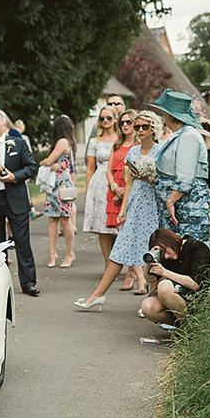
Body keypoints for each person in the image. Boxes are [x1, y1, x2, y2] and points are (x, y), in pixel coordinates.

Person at [74, 110, 163, 310]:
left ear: (153, 129)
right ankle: (97, 295)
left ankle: (151, 299)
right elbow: (128, 181)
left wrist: (147, 177)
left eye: (144, 127)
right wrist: (123, 209)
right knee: (120, 249)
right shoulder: (132, 151)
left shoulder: (160, 151)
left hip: (152, 205)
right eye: (137, 127)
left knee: (152, 252)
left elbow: (162, 183)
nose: (139, 130)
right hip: (134, 204)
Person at [0, 109, 40, 296]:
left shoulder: (18, 144)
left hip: (15, 199)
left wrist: (14, 177)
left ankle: (28, 283)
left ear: (4, 125)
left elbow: (31, 167)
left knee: (22, 243)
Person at [150, 89, 210, 242]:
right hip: (178, 205)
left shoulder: (189, 135)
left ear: (171, 116)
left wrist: (170, 201)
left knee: (188, 248)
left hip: (188, 205)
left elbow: (186, 177)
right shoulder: (180, 134)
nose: (163, 117)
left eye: (164, 113)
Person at [139, 227, 210, 327]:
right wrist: (150, 259)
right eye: (162, 253)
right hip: (177, 297)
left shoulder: (197, 248)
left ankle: (190, 328)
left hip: (198, 297)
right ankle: (183, 325)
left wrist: (165, 272)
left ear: (170, 241)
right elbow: (150, 279)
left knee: (164, 287)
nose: (166, 256)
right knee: (147, 307)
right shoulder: (164, 256)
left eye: (165, 251)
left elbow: (195, 284)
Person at [107, 109, 140, 289]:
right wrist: (114, 187)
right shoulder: (116, 144)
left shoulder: (141, 145)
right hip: (115, 190)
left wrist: (126, 190)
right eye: (122, 123)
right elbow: (108, 170)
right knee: (123, 233)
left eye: (129, 122)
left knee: (130, 235)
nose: (125, 125)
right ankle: (135, 275)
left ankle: (135, 275)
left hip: (132, 190)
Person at [38, 115, 77, 268]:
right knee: (52, 219)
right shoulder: (65, 142)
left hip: (61, 184)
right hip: (55, 184)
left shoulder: (62, 142)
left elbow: (47, 161)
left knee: (64, 220)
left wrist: (45, 162)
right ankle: (52, 254)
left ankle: (69, 253)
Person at [83, 106, 119, 268]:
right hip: (99, 183)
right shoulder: (94, 141)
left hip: (118, 180)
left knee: (119, 225)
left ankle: (127, 266)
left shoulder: (121, 139)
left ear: (115, 119)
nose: (105, 121)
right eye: (102, 118)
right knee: (103, 227)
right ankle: (108, 263)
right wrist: (87, 191)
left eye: (109, 118)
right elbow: (90, 168)